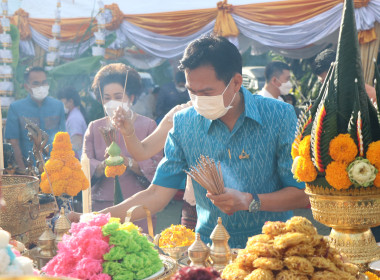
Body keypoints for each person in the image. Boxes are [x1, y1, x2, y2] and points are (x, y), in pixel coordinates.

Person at [71, 36, 309, 248]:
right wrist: (95, 218)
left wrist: (250, 201)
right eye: (191, 92)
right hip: (208, 251)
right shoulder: (185, 123)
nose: (197, 100)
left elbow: (302, 194)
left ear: (236, 82)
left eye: (206, 93)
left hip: (272, 248)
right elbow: (156, 194)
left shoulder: (279, 115)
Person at [83, 63, 162, 233]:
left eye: (118, 97)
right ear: (101, 100)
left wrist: (129, 162)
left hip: (138, 206)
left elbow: (158, 166)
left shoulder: (148, 125)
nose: (112, 102)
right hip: (102, 204)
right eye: (107, 98)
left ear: (131, 98)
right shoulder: (94, 127)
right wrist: (103, 165)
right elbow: (85, 164)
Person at [5, 66, 66, 170]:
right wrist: (24, 171)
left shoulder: (58, 106)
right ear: (26, 86)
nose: (41, 86)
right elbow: (13, 143)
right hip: (29, 170)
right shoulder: (16, 108)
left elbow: (64, 139)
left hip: (56, 169)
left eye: (44, 82)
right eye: (36, 83)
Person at [312, 48, 376, 101]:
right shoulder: (332, 99)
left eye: (327, 81)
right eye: (322, 83)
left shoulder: (363, 93)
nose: (325, 87)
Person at [57, 87, 87, 159]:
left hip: (77, 160)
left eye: (61, 103)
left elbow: (77, 145)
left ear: (70, 101)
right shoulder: (73, 115)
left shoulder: (74, 119)